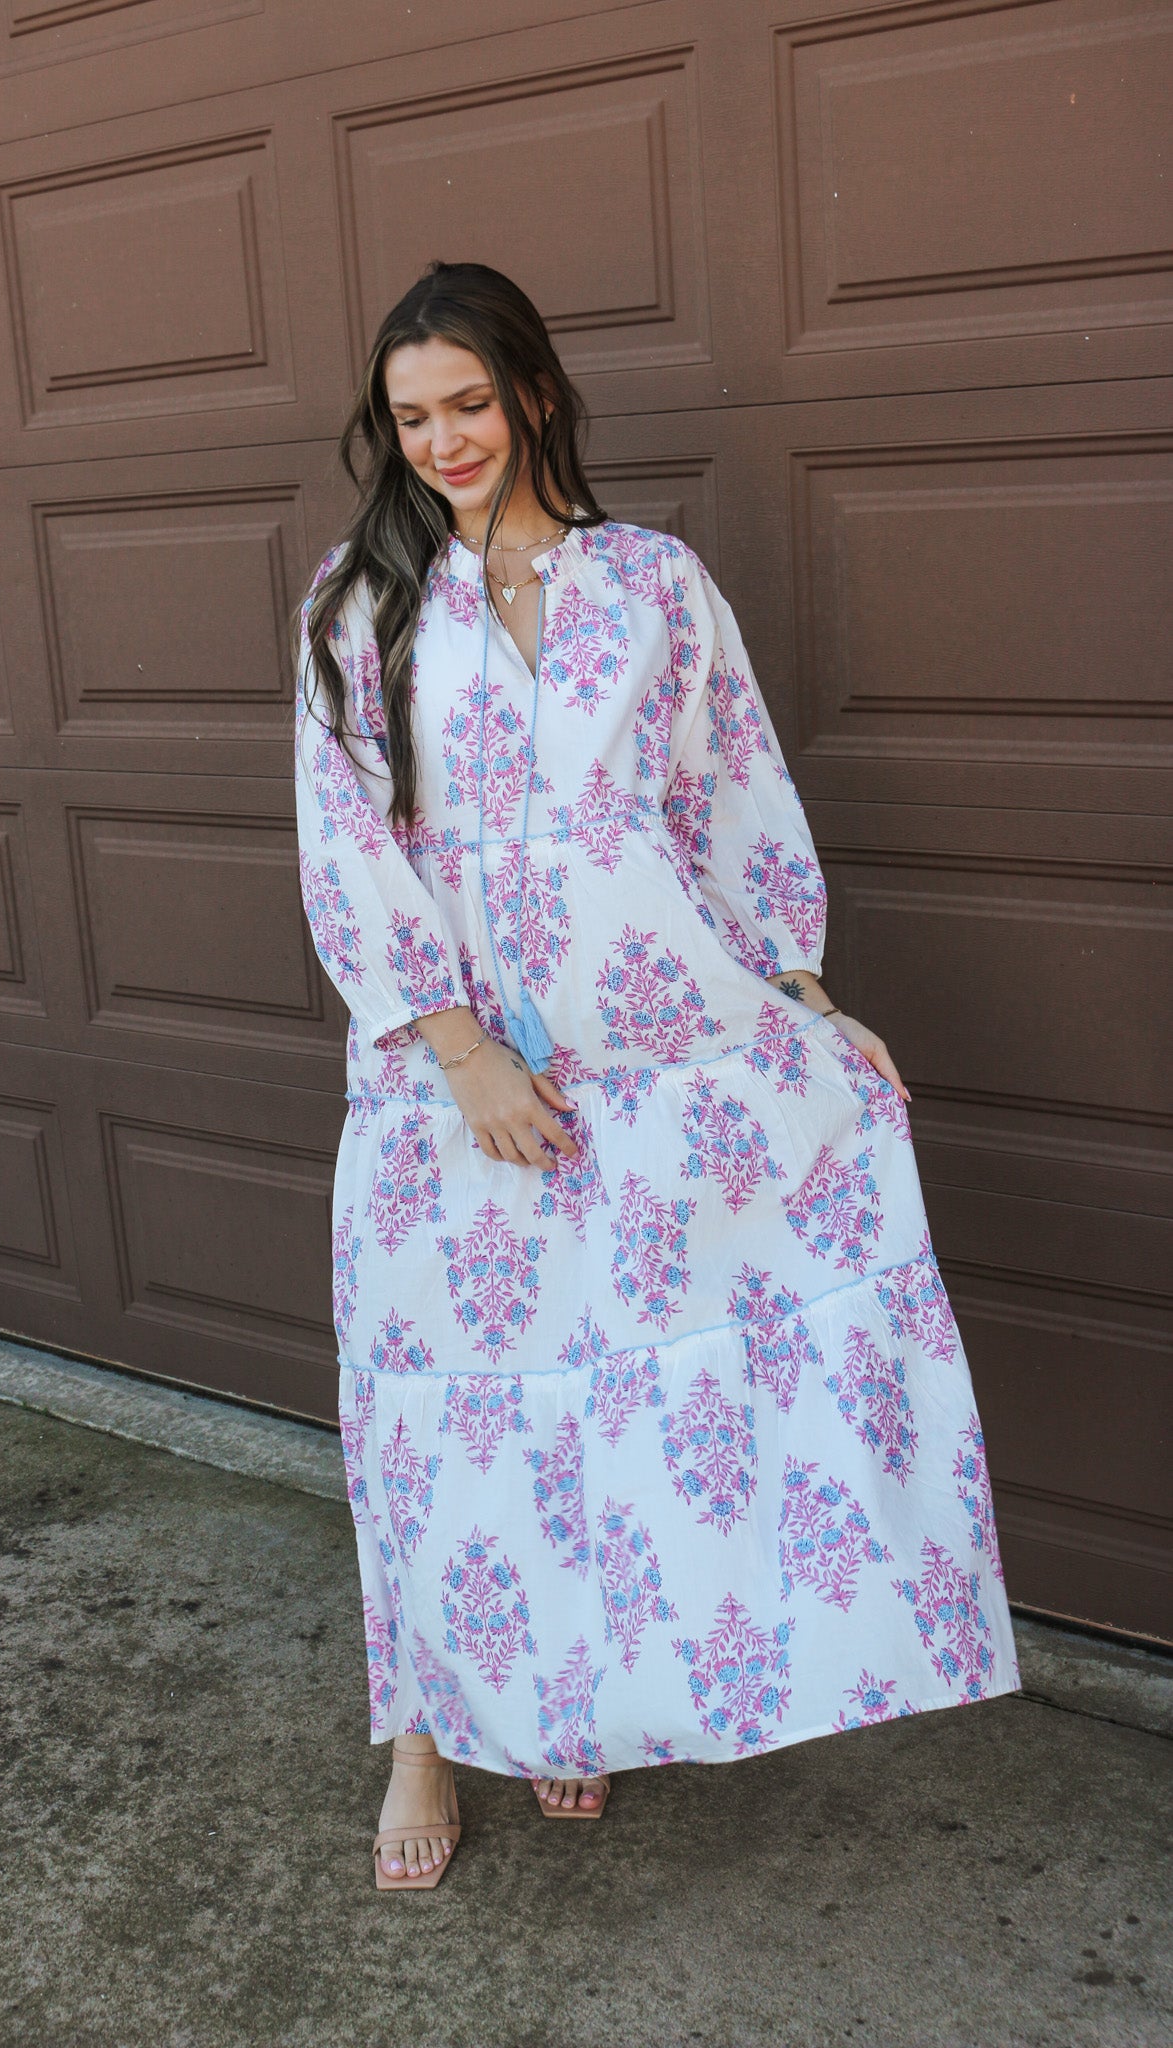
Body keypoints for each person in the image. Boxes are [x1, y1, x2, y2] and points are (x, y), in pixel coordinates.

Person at [293, 260, 1020, 1890]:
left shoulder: (653, 584)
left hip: (651, 1053)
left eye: (468, 404)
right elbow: (344, 849)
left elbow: (725, 800)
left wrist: (801, 993)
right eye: (410, 418)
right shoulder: (359, 601)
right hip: (448, 1081)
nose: (442, 441)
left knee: (606, 1398)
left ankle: (569, 1706)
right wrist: (463, 1055)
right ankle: (425, 1735)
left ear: (534, 394)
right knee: (447, 1406)